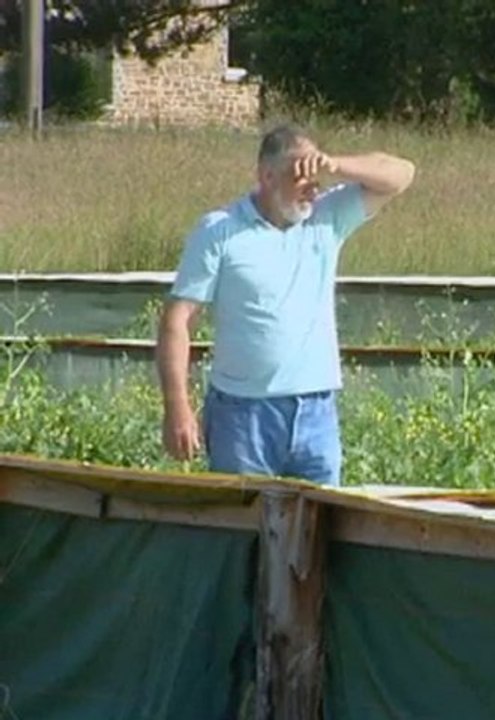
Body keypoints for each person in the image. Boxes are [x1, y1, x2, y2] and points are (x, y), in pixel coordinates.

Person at [156, 124, 416, 485]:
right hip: (243, 417)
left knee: (321, 529)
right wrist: (177, 407)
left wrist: (334, 165)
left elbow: (401, 174)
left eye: (316, 179)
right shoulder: (220, 231)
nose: (312, 188)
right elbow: (177, 320)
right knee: (246, 529)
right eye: (300, 176)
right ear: (267, 176)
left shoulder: (326, 219)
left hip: (315, 414)